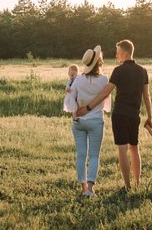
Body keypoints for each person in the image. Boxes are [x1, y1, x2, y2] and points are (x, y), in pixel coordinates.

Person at [76, 39, 152, 190]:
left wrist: (89, 107)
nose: (116, 55)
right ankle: (138, 183)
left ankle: (127, 185)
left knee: (122, 149)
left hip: (120, 115)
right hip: (134, 115)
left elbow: (105, 92)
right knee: (134, 148)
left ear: (124, 53)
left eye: (117, 52)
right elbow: (147, 95)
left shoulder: (119, 70)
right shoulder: (142, 71)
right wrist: (150, 116)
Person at [64, 45, 111, 197]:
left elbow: (72, 100)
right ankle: (90, 189)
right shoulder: (104, 79)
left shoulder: (77, 80)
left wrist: (75, 115)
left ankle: (83, 188)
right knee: (94, 156)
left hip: (79, 121)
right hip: (96, 121)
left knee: (81, 155)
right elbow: (106, 101)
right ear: (99, 62)